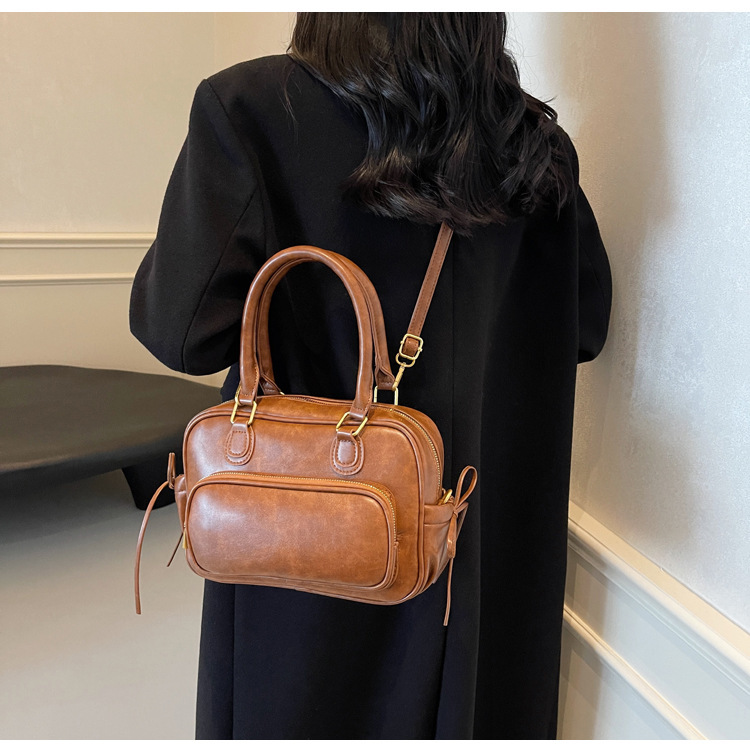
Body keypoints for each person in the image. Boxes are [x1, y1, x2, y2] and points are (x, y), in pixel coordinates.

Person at [129, 12, 612, 740]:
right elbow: (583, 328)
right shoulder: (532, 146)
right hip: (485, 552)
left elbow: (180, 332)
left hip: (311, 546)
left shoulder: (253, 109)